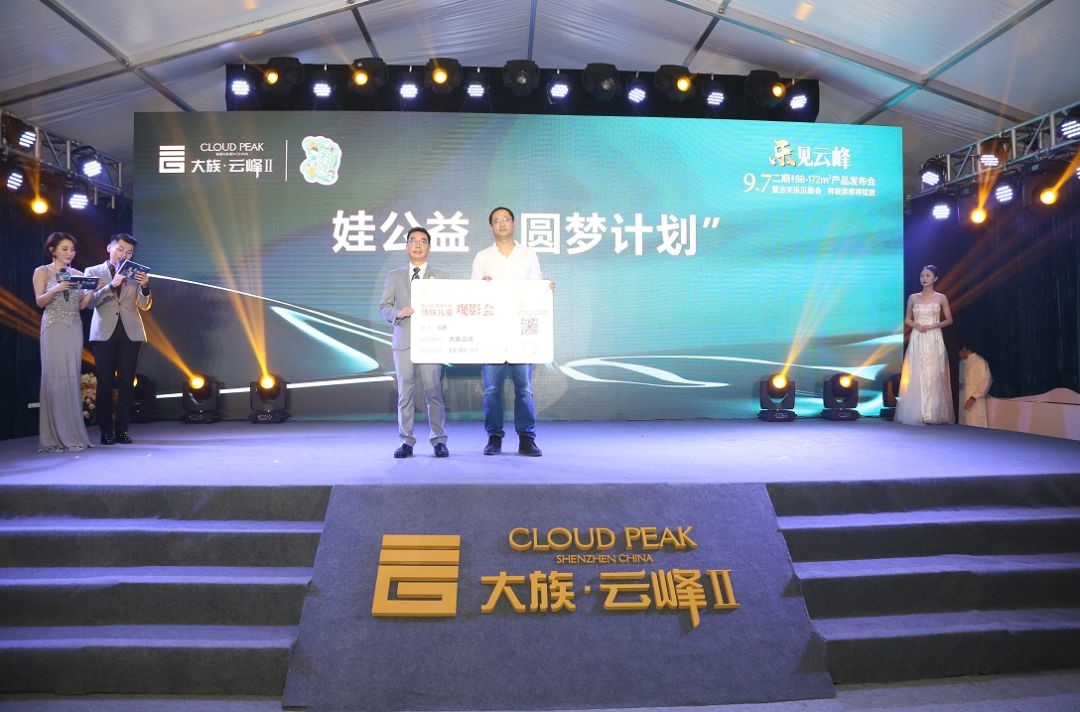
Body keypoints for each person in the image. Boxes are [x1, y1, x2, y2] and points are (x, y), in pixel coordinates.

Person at [471, 207, 546, 457]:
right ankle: (494, 437)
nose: (501, 224)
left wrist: (547, 291)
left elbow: (537, 289)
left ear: (514, 224)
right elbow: (472, 295)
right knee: (492, 389)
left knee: (524, 389)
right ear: (491, 227)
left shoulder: (528, 254)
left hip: (521, 333)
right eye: (496, 221)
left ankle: (527, 439)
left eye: (506, 219)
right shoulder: (482, 257)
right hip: (492, 332)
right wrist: (481, 287)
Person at [379, 227, 449, 458]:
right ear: (407, 246)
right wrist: (397, 313)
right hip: (403, 342)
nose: (418, 245)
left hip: (431, 341)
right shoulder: (394, 276)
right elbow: (384, 307)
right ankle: (406, 441)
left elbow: (451, 305)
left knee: (434, 393)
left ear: (429, 246)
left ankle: (439, 440)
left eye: (423, 241)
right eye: (413, 241)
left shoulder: (441, 276)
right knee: (404, 394)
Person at [85, 233, 152, 445]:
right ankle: (106, 431)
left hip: (130, 333)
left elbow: (144, 305)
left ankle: (122, 430)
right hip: (104, 333)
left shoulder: (135, 273)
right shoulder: (93, 271)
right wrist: (111, 285)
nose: (124, 255)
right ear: (109, 248)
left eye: (129, 252)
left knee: (126, 384)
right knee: (105, 383)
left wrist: (145, 287)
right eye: (120, 249)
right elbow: (89, 303)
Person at [33, 232, 94, 452]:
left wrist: (91, 289)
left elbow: (82, 305)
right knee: (54, 378)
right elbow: (40, 301)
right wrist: (57, 288)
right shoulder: (42, 271)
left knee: (71, 377)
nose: (70, 253)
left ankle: (72, 433)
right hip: (53, 327)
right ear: (53, 250)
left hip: (74, 327)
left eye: (72, 249)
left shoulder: (77, 274)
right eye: (65, 249)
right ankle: (53, 437)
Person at [896, 264, 954, 425]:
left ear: (935, 278)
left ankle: (933, 413)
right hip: (918, 336)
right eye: (922, 275)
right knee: (917, 373)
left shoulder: (941, 297)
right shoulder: (913, 297)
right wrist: (917, 325)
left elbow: (949, 320)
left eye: (928, 275)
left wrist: (934, 325)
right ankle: (918, 412)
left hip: (934, 336)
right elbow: (907, 318)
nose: (924, 278)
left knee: (934, 373)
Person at [958, 344, 992, 428]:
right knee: (965, 426)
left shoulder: (980, 361)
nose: (959, 355)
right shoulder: (962, 363)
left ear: (964, 349)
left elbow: (986, 382)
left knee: (977, 425)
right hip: (964, 399)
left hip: (976, 401)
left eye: (959, 352)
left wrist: (973, 398)